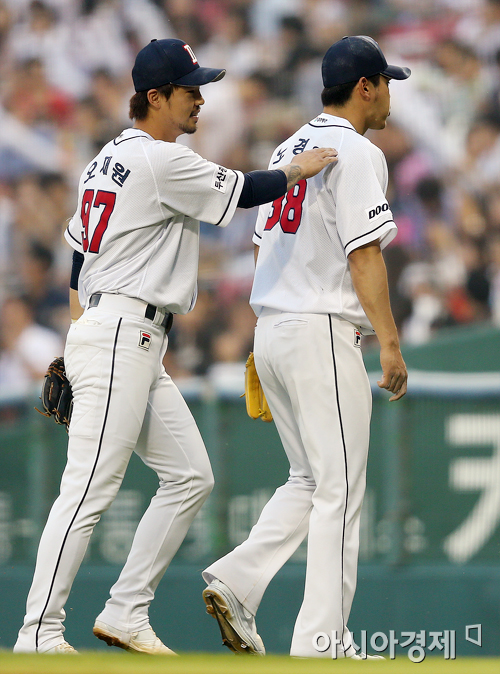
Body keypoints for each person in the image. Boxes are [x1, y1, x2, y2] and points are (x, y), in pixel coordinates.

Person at [14, 38, 337, 655]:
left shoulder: (106, 156)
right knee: (87, 489)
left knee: (190, 476)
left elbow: (81, 255)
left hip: (121, 333)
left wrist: (76, 335)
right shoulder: (158, 158)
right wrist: (300, 168)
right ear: (155, 97)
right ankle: (38, 631)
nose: (201, 99)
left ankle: (126, 611)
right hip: (119, 337)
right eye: (191, 90)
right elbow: (246, 189)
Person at [202, 35, 409, 659]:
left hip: (277, 326)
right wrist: (391, 343)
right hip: (320, 329)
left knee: (309, 478)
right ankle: (323, 642)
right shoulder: (355, 149)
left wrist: (274, 327)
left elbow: (267, 248)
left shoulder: (288, 146)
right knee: (340, 489)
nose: (391, 92)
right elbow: (364, 251)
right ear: (365, 87)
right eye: (386, 81)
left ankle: (237, 580)